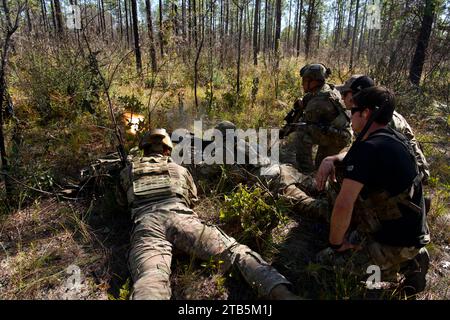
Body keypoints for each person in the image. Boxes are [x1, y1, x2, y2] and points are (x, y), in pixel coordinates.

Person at [120, 128, 299, 300]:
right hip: (182, 218)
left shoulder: (127, 171)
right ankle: (283, 294)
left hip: (147, 225)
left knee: (150, 278)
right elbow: (192, 198)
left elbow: (122, 203)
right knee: (236, 254)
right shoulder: (180, 170)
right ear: (168, 150)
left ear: (144, 150)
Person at [315, 86, 430, 296]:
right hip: (411, 230)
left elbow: (344, 203)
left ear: (366, 113)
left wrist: (336, 244)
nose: (350, 116)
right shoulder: (393, 138)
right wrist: (331, 158)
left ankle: (390, 272)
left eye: (352, 111)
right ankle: (408, 257)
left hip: (394, 241)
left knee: (323, 265)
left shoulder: (368, 150)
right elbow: (352, 158)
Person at [337, 75, 430, 181]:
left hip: (412, 176)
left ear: (357, 95)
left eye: (345, 94)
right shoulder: (367, 115)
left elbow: (383, 156)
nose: (342, 98)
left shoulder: (382, 120)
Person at [282, 63, 352, 174]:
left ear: (314, 81)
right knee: (321, 167)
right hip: (338, 132)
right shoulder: (325, 89)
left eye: (305, 80)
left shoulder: (318, 102)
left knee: (301, 134)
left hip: (338, 137)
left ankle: (305, 172)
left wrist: (287, 131)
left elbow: (305, 124)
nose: (302, 83)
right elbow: (306, 100)